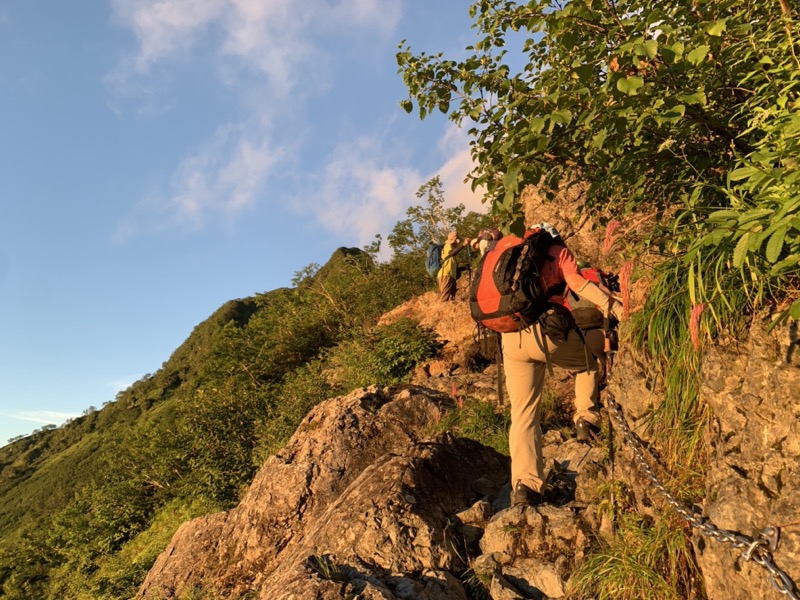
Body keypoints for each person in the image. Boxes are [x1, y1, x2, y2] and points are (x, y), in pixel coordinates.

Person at [501, 223, 622, 508]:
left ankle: (525, 487)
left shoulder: (509, 258)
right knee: (588, 366)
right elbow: (578, 284)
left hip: (510, 339)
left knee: (523, 413)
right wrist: (614, 307)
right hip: (548, 332)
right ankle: (586, 419)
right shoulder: (558, 252)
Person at [437, 231, 470, 302]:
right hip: (446, 275)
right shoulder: (448, 246)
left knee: (451, 299)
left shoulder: (451, 255)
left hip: (450, 275)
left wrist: (465, 268)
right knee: (445, 298)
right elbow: (452, 253)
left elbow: (453, 267)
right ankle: (441, 311)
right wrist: (463, 245)